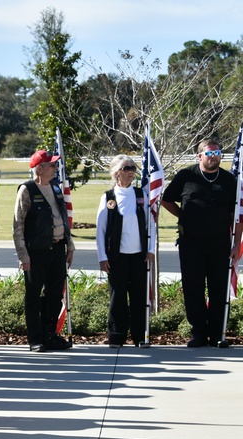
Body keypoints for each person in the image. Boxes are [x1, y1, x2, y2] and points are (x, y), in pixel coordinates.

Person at [161, 139, 243, 347]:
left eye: (217, 153)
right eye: (209, 153)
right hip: (191, 243)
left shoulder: (229, 180)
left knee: (218, 289)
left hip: (220, 244)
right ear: (200, 156)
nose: (214, 157)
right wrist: (183, 216)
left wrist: (237, 244)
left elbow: (238, 214)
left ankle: (217, 333)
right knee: (193, 288)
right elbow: (166, 199)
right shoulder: (186, 176)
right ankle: (199, 333)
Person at [12, 149, 75, 352]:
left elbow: (63, 219)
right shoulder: (27, 190)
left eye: (55, 165)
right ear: (39, 168)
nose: (55, 168)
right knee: (33, 295)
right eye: (52, 165)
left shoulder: (56, 189)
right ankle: (36, 339)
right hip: (36, 251)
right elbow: (18, 226)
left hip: (57, 248)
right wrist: (23, 255)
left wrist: (70, 246)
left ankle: (50, 335)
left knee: (55, 294)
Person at [96, 155, 155, 348]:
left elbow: (150, 224)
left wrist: (151, 250)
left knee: (139, 297)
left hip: (139, 255)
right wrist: (102, 256)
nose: (130, 172)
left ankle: (140, 336)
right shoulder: (108, 197)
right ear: (116, 173)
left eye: (132, 168)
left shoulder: (141, 195)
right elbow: (101, 229)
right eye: (126, 168)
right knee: (118, 297)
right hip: (116, 257)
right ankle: (116, 336)